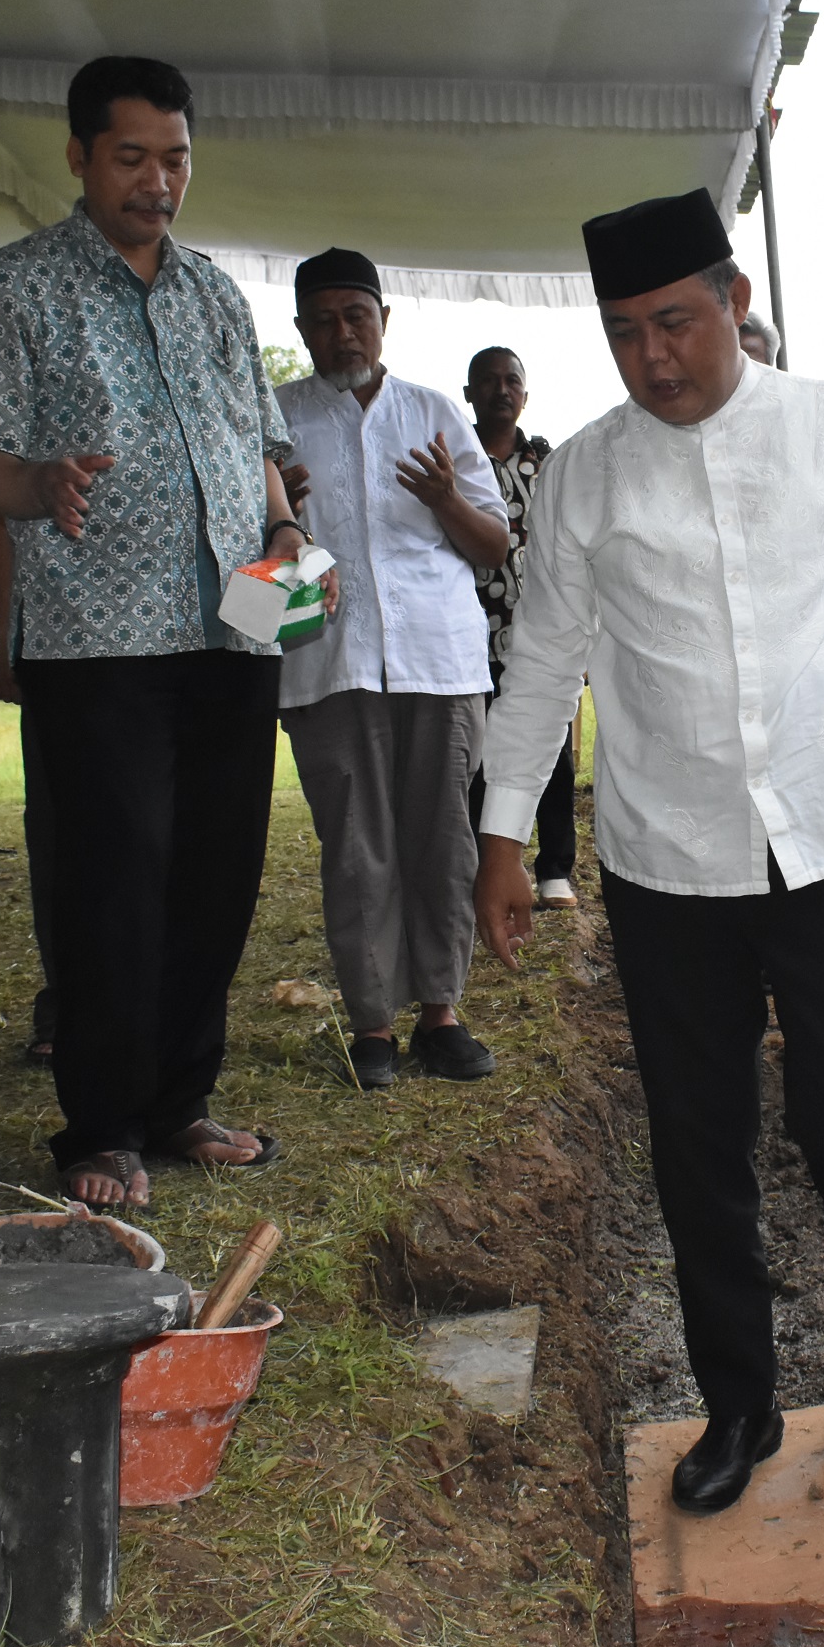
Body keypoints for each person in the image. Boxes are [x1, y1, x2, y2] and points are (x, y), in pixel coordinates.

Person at [476, 189, 824, 1513]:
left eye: (676, 323)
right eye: (624, 332)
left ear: (734, 301)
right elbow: (544, 659)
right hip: (670, 861)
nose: (653, 356)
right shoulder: (583, 474)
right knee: (698, 1142)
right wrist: (503, 831)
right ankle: (738, 1404)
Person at [0, 56, 308, 1210]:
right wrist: (37, 481)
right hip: (97, 636)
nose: (158, 182)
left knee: (218, 872)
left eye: (176, 159)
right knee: (115, 879)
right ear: (79, 156)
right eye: (132, 158)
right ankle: (101, 1128)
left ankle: (178, 1102)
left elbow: (256, 443)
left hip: (236, 621)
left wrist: (285, 530)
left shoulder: (215, 293)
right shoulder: (9, 287)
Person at [276, 250, 511, 1089]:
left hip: (438, 661)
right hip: (325, 661)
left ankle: (441, 1014)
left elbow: (494, 547)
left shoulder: (434, 411)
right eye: (324, 320)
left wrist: (446, 497)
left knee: (442, 839)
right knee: (354, 847)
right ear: (301, 329)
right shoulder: (274, 421)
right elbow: (246, 571)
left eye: (357, 316)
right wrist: (278, 517)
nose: (343, 334)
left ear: (384, 321)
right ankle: (372, 1024)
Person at [461, 345, 580, 910]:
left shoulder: (550, 462)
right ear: (469, 394)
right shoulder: (454, 461)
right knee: (479, 761)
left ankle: (555, 869)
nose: (501, 389)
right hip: (472, 640)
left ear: (525, 396)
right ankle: (486, 867)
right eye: (488, 380)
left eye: (512, 380)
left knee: (552, 754)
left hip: (542, 637)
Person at [0, 506, 59, 1066]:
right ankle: (68, 1002)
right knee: (62, 836)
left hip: (184, 648)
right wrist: (7, 635)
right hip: (63, 652)